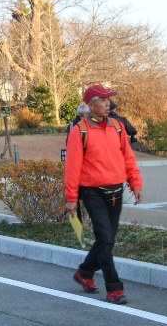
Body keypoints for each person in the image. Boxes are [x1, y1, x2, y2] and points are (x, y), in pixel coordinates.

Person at [65, 84, 143, 305]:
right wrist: (71, 198)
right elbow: (73, 167)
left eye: (109, 100)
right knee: (106, 239)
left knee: (106, 240)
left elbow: (128, 158)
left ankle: (84, 273)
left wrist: (135, 183)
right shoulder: (79, 130)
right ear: (90, 105)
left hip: (116, 191)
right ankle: (114, 288)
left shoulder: (118, 126)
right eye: (103, 100)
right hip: (92, 192)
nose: (108, 103)